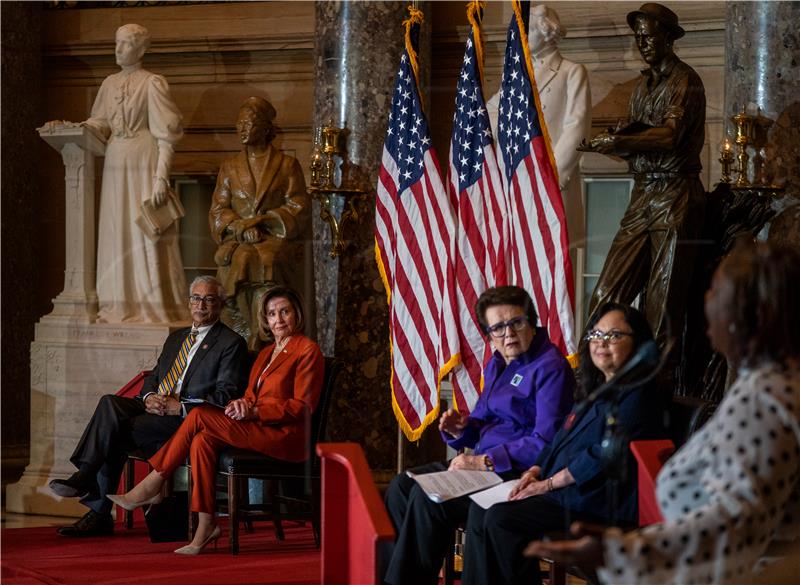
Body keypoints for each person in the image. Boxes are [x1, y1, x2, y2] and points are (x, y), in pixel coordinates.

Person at [527, 241, 800, 584]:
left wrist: (622, 553)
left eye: (716, 291)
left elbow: (733, 528)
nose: (706, 302)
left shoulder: (768, 398)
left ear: (752, 312)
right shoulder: (761, 383)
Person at [108, 286, 324, 555]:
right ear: (265, 319)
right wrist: (242, 404)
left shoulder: (307, 350)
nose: (278, 319)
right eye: (271, 314)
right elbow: (250, 395)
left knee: (198, 415)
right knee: (202, 440)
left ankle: (156, 479)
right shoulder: (267, 353)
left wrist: (255, 412)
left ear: (297, 314)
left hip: (285, 436)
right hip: (257, 427)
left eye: (284, 312)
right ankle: (206, 523)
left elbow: (303, 407)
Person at [461, 303, 667, 585]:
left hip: (595, 500)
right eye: (596, 334)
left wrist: (546, 484)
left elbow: (602, 455)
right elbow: (559, 439)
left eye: (614, 336)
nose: (602, 343)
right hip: (565, 493)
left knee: (503, 520)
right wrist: (534, 470)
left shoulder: (638, 392)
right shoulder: (594, 389)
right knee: (484, 510)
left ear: (638, 343)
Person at [383, 285, 576, 585]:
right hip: (482, 467)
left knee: (427, 498)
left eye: (516, 322)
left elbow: (546, 441)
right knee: (401, 486)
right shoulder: (498, 362)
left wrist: (484, 461)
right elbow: (483, 422)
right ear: (489, 334)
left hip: (514, 471)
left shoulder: (550, 367)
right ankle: (401, 576)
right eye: (497, 328)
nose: (508, 334)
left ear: (532, 321)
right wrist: (461, 429)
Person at [49, 275, 248, 537]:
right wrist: (149, 397)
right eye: (196, 298)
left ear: (220, 304)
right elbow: (154, 378)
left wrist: (179, 407)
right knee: (110, 404)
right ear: (189, 303)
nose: (201, 304)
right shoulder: (176, 339)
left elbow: (226, 395)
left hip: (187, 419)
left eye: (209, 299)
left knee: (116, 430)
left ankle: (96, 507)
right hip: (155, 408)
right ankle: (85, 477)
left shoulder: (230, 343)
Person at [585, 3, 706, 364]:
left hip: (675, 194)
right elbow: (640, 140)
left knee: (661, 304)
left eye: (649, 36)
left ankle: (655, 388)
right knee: (606, 295)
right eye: (638, 38)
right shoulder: (642, 86)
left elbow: (669, 136)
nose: (643, 43)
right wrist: (611, 142)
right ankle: (600, 377)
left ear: (669, 38)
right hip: (643, 195)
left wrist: (622, 142)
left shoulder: (686, 80)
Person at [45, 24, 188, 323]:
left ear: (141, 49)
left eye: (125, 44)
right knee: (116, 230)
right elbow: (99, 122)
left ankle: (149, 305)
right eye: (117, 44)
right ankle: (118, 304)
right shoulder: (108, 84)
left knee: (145, 231)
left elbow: (167, 135)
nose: (118, 50)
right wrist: (74, 127)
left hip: (143, 160)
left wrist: (161, 177)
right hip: (115, 160)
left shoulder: (153, 83)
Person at [209, 97, 312, 350]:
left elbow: (298, 206)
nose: (242, 128)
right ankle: (240, 338)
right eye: (239, 123)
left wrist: (263, 221)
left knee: (266, 260)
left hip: (275, 240)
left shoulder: (287, 165)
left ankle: (264, 336)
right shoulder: (230, 166)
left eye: (249, 123)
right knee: (241, 258)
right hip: (239, 241)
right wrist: (240, 228)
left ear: (266, 128)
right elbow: (218, 209)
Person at [487, 4, 591, 245]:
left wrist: (551, 174)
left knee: (550, 260)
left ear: (546, 33)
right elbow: (490, 113)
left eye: (528, 32)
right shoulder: (516, 75)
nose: (521, 38)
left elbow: (577, 128)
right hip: (514, 176)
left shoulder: (571, 71)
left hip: (549, 177)